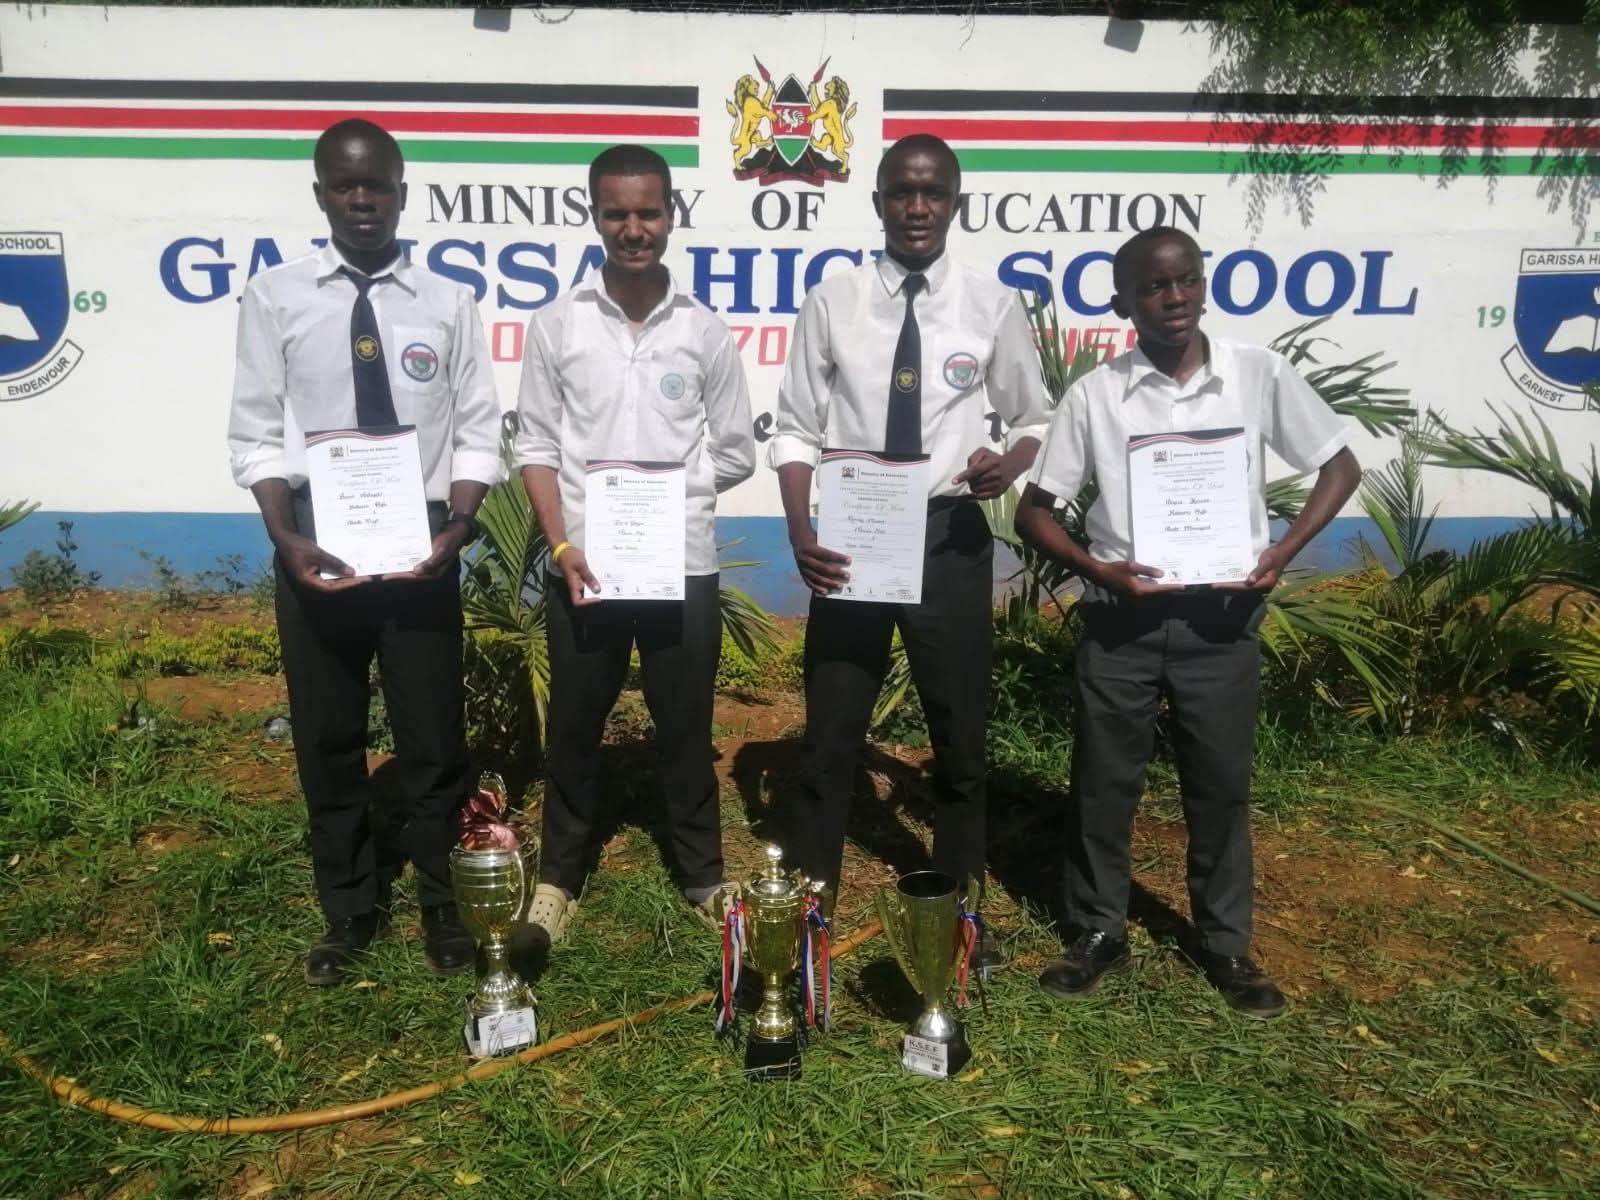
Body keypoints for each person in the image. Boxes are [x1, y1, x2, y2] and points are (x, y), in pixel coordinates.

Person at [1014, 226, 1362, 1019]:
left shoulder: (1257, 374)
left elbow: (1340, 465)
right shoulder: (1097, 395)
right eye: (1152, 287)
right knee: (1103, 784)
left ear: (1204, 285)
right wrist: (1097, 569)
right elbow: (1036, 513)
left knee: (1219, 787)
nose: (1172, 300)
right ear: (1122, 302)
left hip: (1223, 619)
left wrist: (1282, 550)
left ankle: (1225, 944)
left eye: (1185, 282)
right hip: (1121, 618)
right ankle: (1098, 930)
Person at [228, 118, 502, 986]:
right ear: (320, 195)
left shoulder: (447, 302)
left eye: (376, 184)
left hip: (421, 541)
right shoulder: (276, 298)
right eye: (344, 186)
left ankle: (443, 913)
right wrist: (286, 536)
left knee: (432, 742)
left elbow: (475, 431)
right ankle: (348, 913)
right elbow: (257, 431)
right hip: (317, 542)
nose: (361, 200)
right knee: (329, 738)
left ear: (401, 191)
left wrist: (457, 525)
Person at [771, 134, 1049, 966]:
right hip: (851, 542)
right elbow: (792, 426)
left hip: (947, 540)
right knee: (829, 738)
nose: (917, 207)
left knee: (961, 739)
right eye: (901, 193)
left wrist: (1014, 461)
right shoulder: (835, 300)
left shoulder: (990, 304)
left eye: (932, 193)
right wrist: (800, 528)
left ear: (955, 203)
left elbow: (1033, 416)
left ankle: (958, 911)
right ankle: (811, 911)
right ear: (880, 203)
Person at [513, 144, 756, 946]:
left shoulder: (704, 330)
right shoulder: (558, 324)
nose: (633, 228)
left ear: (671, 213)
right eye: (616, 212)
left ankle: (702, 876)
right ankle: (558, 878)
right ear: (594, 215)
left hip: (680, 566)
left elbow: (735, 450)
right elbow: (538, 448)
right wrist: (561, 543)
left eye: (647, 211)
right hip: (584, 564)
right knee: (573, 730)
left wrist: (670, 500)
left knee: (685, 728)